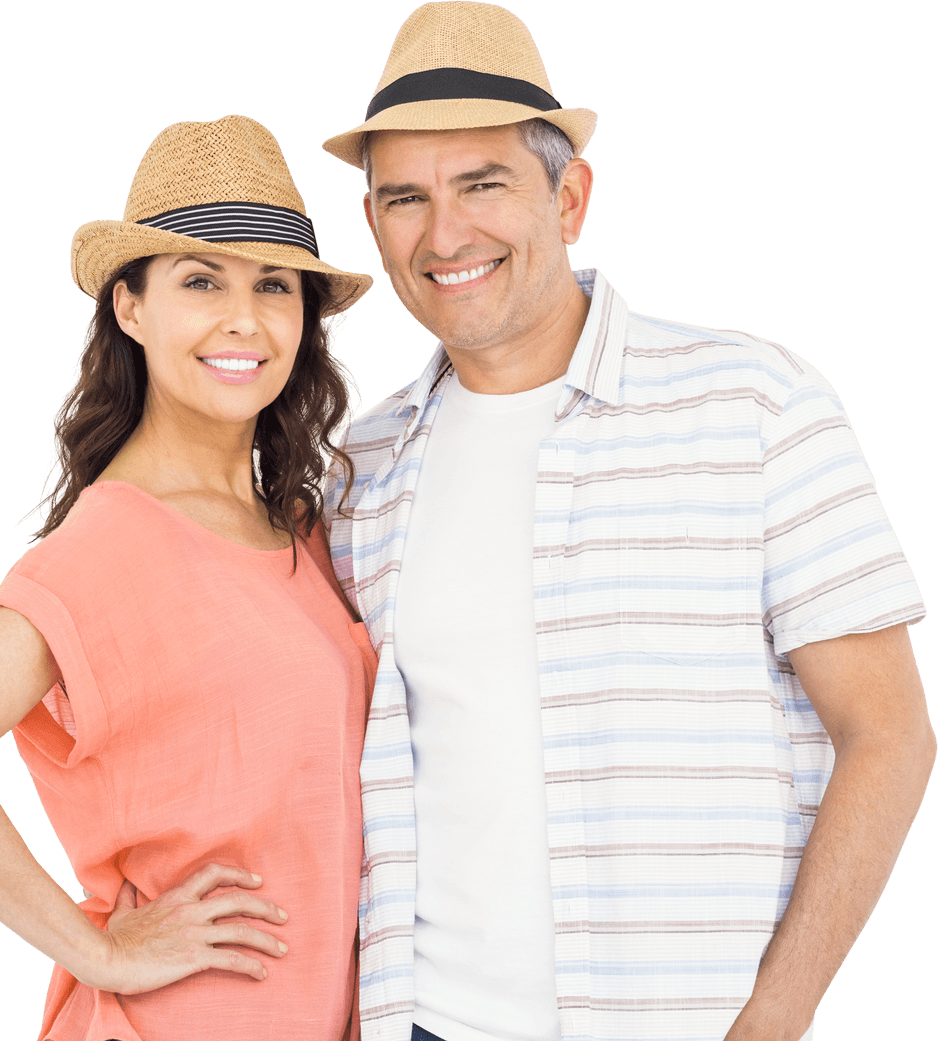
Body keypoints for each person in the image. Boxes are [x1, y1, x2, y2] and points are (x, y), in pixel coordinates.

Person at [318, 4, 934, 1041]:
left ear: (570, 198)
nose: (445, 233)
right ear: (373, 225)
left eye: (483, 184)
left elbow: (890, 736)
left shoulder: (759, 405)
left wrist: (776, 1019)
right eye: (405, 199)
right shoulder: (357, 469)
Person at [0, 114, 375, 1041]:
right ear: (129, 307)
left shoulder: (298, 525)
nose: (244, 318)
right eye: (201, 279)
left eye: (274, 284)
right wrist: (97, 950)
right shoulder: (113, 541)